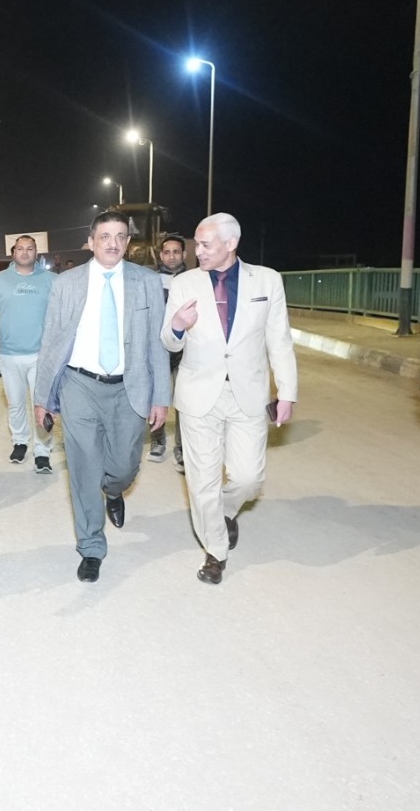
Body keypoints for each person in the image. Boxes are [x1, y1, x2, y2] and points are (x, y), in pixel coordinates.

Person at [33, 211, 169, 584]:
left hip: (130, 387)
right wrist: (42, 397)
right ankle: (91, 547)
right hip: (79, 385)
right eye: (105, 236)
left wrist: (160, 396)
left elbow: (157, 344)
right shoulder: (67, 283)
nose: (113, 243)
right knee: (83, 469)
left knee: (123, 466)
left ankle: (113, 490)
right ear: (91, 242)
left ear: (128, 242)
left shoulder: (147, 282)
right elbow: (50, 341)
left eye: (120, 236)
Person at [162, 213, 298, 585]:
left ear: (231, 244)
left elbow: (279, 340)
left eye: (206, 245)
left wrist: (287, 392)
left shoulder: (267, 280)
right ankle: (216, 551)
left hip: (248, 393)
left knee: (249, 478)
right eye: (196, 244)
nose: (198, 251)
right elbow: (168, 342)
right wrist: (177, 326)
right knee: (202, 480)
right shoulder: (185, 283)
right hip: (198, 394)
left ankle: (223, 510)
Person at [0, 234, 56, 472]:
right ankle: (20, 442)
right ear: (13, 253)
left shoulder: (51, 280)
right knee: (15, 403)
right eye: (20, 248)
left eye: (29, 249)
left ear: (36, 252)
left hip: (41, 355)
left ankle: (42, 451)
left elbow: (64, 311)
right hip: (8, 354)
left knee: (41, 405)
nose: (24, 252)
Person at [149, 233, 191, 471]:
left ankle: (182, 448)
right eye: (167, 252)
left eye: (176, 252)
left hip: (186, 350)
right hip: (158, 349)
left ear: (184, 254)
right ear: (160, 255)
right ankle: (157, 441)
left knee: (185, 401)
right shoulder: (152, 281)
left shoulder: (194, 280)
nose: (172, 256)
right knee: (156, 397)